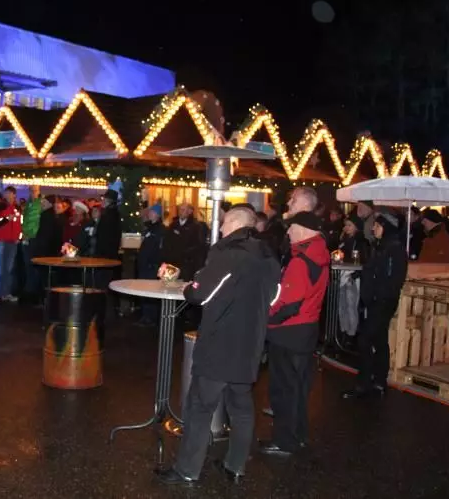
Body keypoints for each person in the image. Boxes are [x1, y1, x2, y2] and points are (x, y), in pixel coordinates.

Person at [155, 207, 281, 487]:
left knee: (199, 407)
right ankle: (235, 466)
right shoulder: (268, 256)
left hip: (220, 344)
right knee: (242, 407)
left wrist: (188, 287)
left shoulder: (227, 254)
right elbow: (275, 297)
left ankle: (187, 470)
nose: (221, 229)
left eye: (224, 224)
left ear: (236, 223)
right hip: (251, 345)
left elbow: (200, 292)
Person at [260, 210, 330, 457]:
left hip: (288, 333)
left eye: (291, 228)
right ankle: (298, 436)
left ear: (302, 230)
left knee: (283, 390)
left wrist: (265, 320)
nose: (288, 232)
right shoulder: (320, 254)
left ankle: (284, 441)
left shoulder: (301, 261)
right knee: (299, 389)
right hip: (307, 330)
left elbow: (289, 304)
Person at [342, 213, 407, 399]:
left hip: (382, 301)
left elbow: (392, 278)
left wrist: (378, 295)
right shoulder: (380, 246)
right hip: (376, 300)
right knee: (378, 340)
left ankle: (365, 382)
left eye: (377, 226)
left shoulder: (393, 249)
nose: (373, 229)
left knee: (365, 340)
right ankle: (379, 380)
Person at [137, 203, 165, 327]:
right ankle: (145, 315)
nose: (149, 214)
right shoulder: (150, 228)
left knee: (150, 290)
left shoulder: (159, 230)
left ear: (157, 215)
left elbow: (158, 248)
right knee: (144, 289)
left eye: (152, 212)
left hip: (151, 265)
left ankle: (150, 317)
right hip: (145, 264)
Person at [162, 203, 206, 282]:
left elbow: (199, 245)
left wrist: (185, 253)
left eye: (183, 209)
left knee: (183, 287)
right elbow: (166, 242)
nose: (180, 212)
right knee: (168, 284)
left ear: (190, 211)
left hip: (186, 265)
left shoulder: (196, 227)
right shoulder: (173, 225)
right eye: (179, 209)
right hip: (171, 263)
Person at [0, 186, 23, 303]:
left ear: (14, 195)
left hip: (13, 241)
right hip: (1, 239)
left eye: (10, 193)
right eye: (6, 193)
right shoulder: (0, 207)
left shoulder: (17, 208)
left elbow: (20, 224)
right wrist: (6, 218)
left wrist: (18, 238)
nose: (7, 195)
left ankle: (6, 293)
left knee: (9, 268)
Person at [21, 191, 42, 300]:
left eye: (34, 191)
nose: (32, 193)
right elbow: (25, 221)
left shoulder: (38, 205)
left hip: (33, 238)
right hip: (27, 237)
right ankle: (29, 288)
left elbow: (35, 222)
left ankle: (32, 289)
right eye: (31, 191)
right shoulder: (29, 205)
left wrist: (29, 234)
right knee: (28, 264)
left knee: (32, 264)